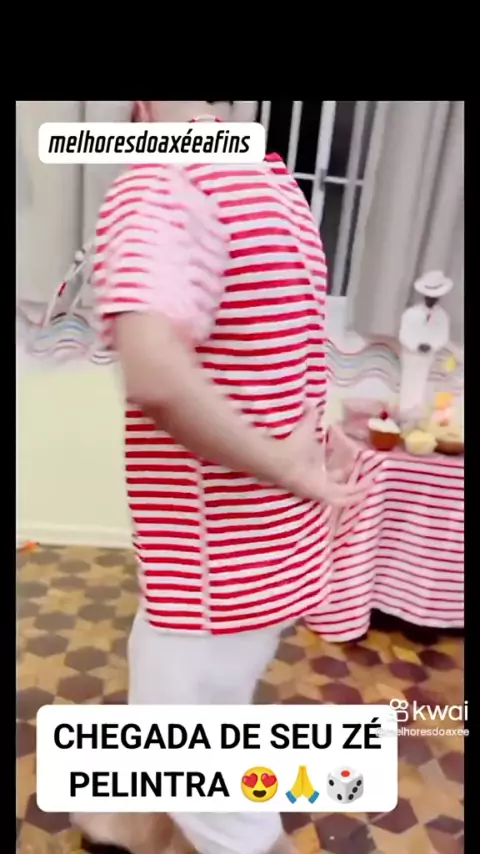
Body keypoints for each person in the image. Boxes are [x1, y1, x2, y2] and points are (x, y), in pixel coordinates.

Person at [74, 100, 369, 854]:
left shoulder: (165, 181)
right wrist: (310, 440)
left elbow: (156, 375)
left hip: (214, 566)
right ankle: (133, 825)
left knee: (196, 762)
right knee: (187, 692)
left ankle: (164, 825)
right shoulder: (266, 175)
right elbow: (273, 348)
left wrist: (289, 459)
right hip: (264, 552)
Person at [398, 270, 453, 417]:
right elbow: (404, 334)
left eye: (434, 297)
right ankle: (404, 414)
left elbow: (443, 336)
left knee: (422, 384)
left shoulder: (442, 317)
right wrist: (416, 345)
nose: (431, 300)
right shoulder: (411, 313)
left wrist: (431, 346)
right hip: (411, 355)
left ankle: (416, 416)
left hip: (428, 356)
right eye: (429, 297)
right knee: (408, 383)